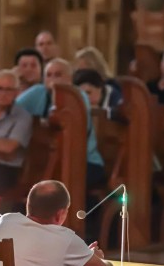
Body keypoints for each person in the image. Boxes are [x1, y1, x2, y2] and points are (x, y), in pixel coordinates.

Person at [16, 58, 106, 187]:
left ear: (70, 79)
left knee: (56, 184)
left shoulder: (77, 96)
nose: (52, 79)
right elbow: (14, 108)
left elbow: (74, 129)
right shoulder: (38, 92)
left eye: (58, 75)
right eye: (48, 75)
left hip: (84, 161)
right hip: (51, 159)